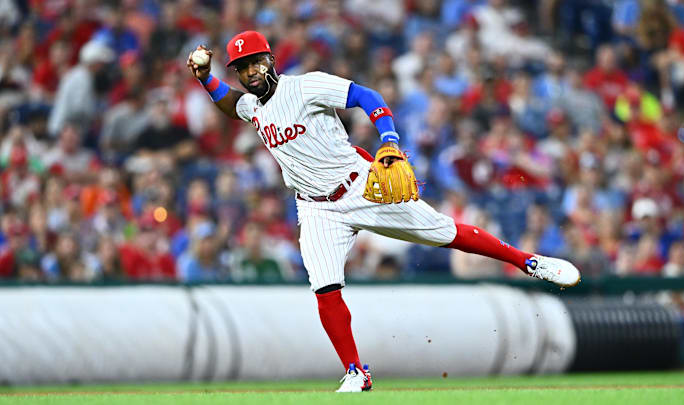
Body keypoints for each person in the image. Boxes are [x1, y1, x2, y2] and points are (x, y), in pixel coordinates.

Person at [187, 30, 582, 393]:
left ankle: (529, 262)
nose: (250, 71)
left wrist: (389, 140)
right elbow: (231, 105)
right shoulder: (252, 107)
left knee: (442, 232)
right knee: (324, 286)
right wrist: (205, 78)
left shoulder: (306, 86)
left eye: (256, 62)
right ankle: (357, 372)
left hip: (359, 186)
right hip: (315, 208)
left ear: (271, 60)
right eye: (241, 67)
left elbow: (367, 96)